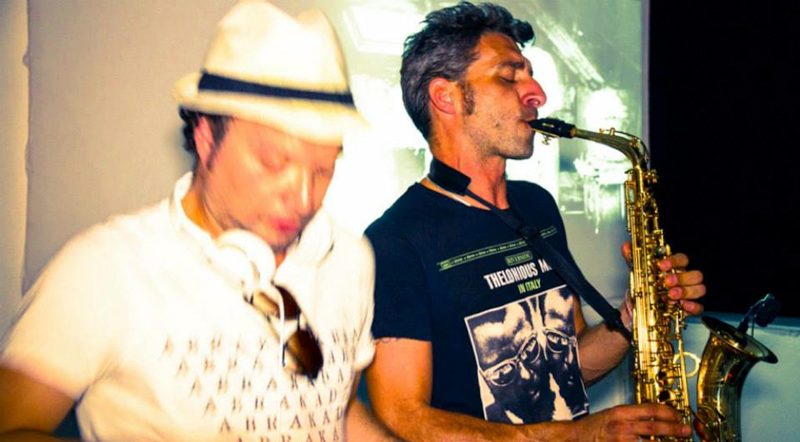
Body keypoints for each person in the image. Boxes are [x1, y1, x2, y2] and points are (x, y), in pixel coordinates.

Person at [0, 2, 402, 441]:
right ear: (206, 137)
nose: (304, 199)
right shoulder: (105, 269)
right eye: (273, 163)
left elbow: (336, 413)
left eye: (323, 169)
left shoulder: (351, 259)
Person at [364, 2, 706, 441]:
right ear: (446, 96)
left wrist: (634, 315)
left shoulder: (537, 205)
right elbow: (405, 417)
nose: (538, 94)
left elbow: (571, 365)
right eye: (509, 77)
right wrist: (576, 436)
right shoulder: (394, 241)